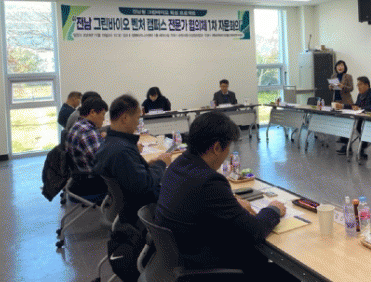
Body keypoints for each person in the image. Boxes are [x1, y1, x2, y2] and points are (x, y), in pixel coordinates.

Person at [155, 112, 286, 277]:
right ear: (217, 148)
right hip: (205, 266)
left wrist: (230, 204)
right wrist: (273, 209)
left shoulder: (178, 165)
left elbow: (202, 203)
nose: (228, 153)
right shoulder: (209, 181)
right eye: (228, 147)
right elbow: (254, 231)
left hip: (178, 258)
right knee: (281, 271)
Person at [94, 95, 172, 224]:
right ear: (125, 118)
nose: (138, 124)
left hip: (126, 205)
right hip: (143, 208)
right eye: (137, 118)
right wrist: (161, 163)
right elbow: (145, 185)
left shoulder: (109, 143)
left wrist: (148, 165)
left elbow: (132, 175)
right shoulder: (122, 151)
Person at [66, 96, 108, 195]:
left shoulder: (78, 125)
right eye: (103, 114)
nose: (104, 118)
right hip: (92, 183)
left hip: (79, 179)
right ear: (92, 112)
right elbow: (104, 163)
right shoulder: (88, 132)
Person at [334, 76, 371, 159]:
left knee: (359, 126)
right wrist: (343, 106)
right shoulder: (360, 95)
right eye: (357, 85)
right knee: (349, 124)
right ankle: (348, 146)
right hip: (361, 119)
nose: (358, 87)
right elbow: (355, 106)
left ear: (367, 85)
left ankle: (361, 148)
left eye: (360, 84)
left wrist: (360, 108)